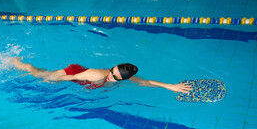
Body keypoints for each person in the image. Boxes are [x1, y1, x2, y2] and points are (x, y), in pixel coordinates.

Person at [10, 57, 192, 93]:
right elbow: (72, 77)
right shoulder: (98, 75)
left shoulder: (120, 76)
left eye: (116, 78)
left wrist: (170, 86)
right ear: (112, 69)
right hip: (75, 74)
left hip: (84, 78)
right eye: (112, 73)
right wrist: (53, 80)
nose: (111, 78)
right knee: (40, 75)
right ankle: (18, 62)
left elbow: (144, 82)